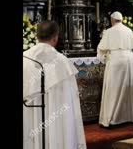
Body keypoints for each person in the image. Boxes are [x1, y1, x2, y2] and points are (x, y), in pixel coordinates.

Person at [23, 20, 86, 149]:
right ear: (55, 37)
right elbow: (70, 101)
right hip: (56, 124)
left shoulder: (24, 58)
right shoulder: (62, 62)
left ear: (36, 36)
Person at [97, 11, 133, 127]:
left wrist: (102, 56)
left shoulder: (109, 31)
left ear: (112, 20)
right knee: (128, 88)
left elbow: (101, 48)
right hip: (129, 60)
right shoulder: (129, 30)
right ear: (121, 20)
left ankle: (112, 118)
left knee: (114, 89)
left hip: (115, 61)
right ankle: (132, 116)